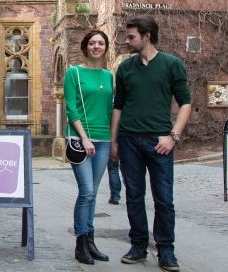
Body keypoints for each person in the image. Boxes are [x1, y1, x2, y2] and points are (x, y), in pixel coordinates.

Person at [110, 15, 191, 272]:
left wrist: (173, 136)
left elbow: (186, 103)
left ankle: (166, 250)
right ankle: (138, 245)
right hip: (129, 141)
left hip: (160, 142)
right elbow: (118, 106)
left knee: (164, 199)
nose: (127, 40)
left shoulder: (171, 64)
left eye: (131, 36)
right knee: (134, 197)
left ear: (147, 35)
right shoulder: (125, 68)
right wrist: (114, 141)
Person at [64, 29, 114, 265]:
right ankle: (80, 242)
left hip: (104, 139)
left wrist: (114, 139)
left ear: (105, 48)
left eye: (101, 43)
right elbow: (71, 108)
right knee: (86, 191)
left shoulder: (109, 76)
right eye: (92, 43)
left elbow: (112, 110)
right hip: (80, 139)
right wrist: (84, 137)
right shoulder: (74, 72)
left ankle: (91, 241)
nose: (96, 46)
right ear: (85, 47)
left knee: (93, 192)